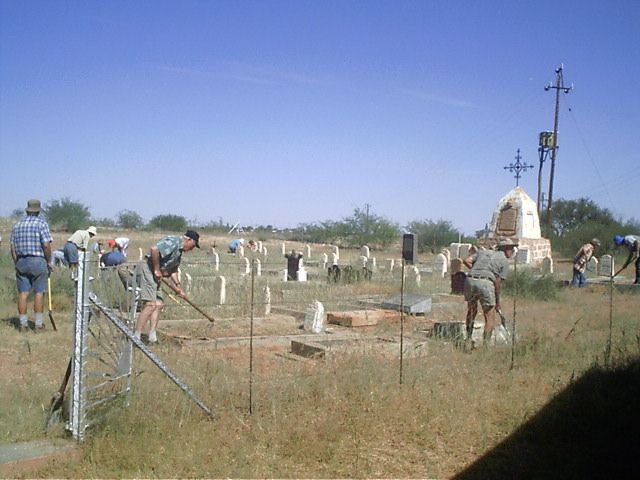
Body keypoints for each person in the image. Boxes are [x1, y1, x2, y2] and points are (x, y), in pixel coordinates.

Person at [133, 230, 200, 343]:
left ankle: (152, 336)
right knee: (150, 304)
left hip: (156, 273)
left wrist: (178, 286)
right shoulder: (174, 242)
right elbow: (154, 249)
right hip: (148, 268)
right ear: (188, 240)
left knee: (159, 304)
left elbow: (173, 271)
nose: (191, 249)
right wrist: (156, 269)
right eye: (192, 246)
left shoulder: (179, 253)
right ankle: (136, 336)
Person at [462, 238, 517, 349]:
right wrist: (497, 302)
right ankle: (486, 347)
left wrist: (477, 271)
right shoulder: (504, 261)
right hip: (486, 284)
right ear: (506, 249)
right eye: (511, 248)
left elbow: (466, 260)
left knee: (472, 311)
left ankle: (468, 339)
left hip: (470, 280)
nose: (513, 251)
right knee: (489, 317)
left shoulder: (483, 252)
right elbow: (498, 283)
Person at [9, 199, 53, 332]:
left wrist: (17, 262)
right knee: (39, 292)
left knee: (23, 293)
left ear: (27, 210)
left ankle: (23, 324)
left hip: (21, 261)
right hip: (38, 261)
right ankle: (38, 325)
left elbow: (12, 247)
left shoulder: (17, 225)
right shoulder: (41, 224)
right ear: (38, 211)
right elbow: (46, 245)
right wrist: (49, 261)